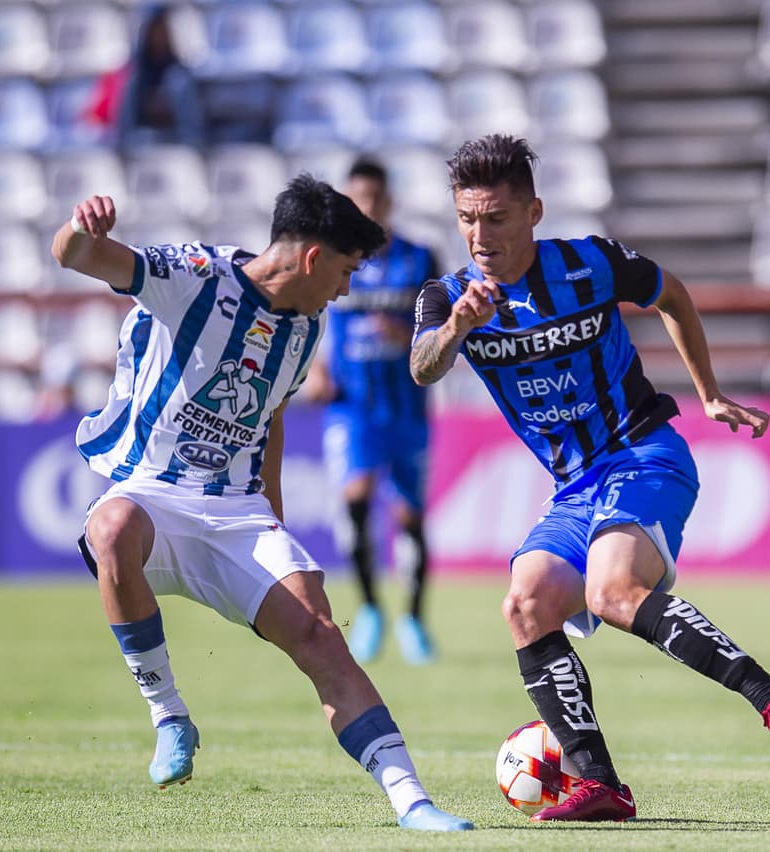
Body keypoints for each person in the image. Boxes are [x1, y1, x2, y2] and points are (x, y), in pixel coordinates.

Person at [410, 134, 770, 822]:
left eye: (496, 218)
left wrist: (711, 393)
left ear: (534, 212)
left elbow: (673, 296)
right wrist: (457, 326)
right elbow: (424, 367)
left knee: (611, 591)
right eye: (467, 219)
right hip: (575, 489)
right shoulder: (449, 297)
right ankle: (598, 783)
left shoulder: (590, 264)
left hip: (643, 456)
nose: (480, 235)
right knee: (526, 603)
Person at [49, 176, 472, 832]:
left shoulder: (306, 329)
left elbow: (268, 420)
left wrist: (270, 516)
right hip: (152, 495)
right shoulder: (195, 276)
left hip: (237, 513)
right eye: (344, 271)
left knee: (319, 636)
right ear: (311, 258)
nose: (346, 289)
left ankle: (413, 803)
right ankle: (169, 716)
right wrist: (85, 228)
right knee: (110, 527)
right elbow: (76, 255)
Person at [302, 158, 441, 666]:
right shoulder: (333, 257)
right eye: (357, 199)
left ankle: (414, 620)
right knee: (355, 496)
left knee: (409, 514)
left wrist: (407, 337)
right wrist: (315, 367)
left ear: (389, 202)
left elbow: (444, 327)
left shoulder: (419, 258)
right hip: (353, 407)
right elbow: (310, 315)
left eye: (375, 199)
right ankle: (369, 610)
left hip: (406, 407)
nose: (368, 208)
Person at [86, 4, 205, 149]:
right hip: (139, 142)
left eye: (163, 29)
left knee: (180, 82)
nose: (159, 36)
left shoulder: (180, 75)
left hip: (176, 143)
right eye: (155, 29)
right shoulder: (132, 75)